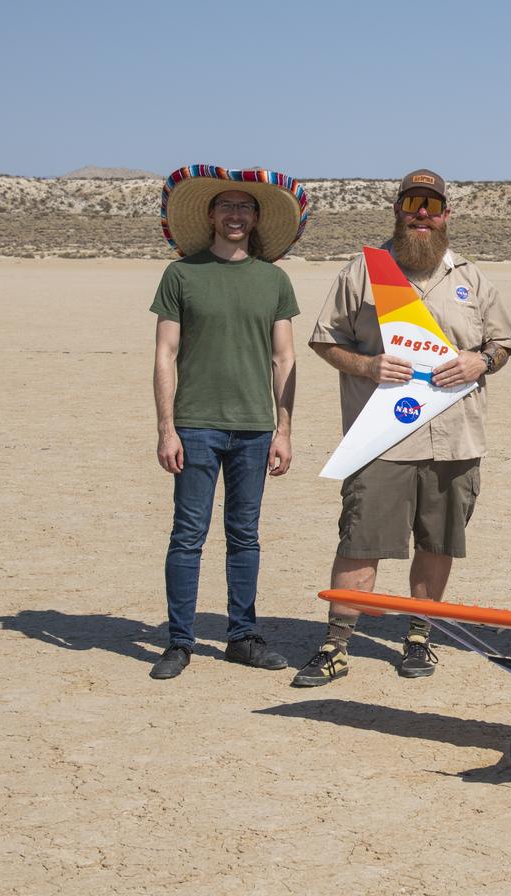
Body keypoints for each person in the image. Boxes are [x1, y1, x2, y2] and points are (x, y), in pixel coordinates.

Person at [293, 169, 511, 687]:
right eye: (413, 203)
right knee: (361, 540)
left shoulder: (472, 279)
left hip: (456, 438)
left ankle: (420, 635)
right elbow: (325, 341)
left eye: (432, 206)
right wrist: (368, 367)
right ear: (397, 208)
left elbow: (503, 344)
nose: (422, 213)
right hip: (383, 437)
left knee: (437, 543)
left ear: (446, 215)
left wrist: (479, 362)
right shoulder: (364, 273)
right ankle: (336, 644)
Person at [149, 164, 308, 680]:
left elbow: (284, 359)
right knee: (188, 534)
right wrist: (166, 428)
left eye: (245, 208)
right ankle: (179, 641)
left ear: (256, 218)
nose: (235, 215)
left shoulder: (273, 279)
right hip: (195, 424)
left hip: (255, 429)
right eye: (227, 206)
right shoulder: (182, 274)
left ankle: (241, 635)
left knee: (245, 535)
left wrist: (283, 430)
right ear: (211, 216)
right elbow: (164, 353)